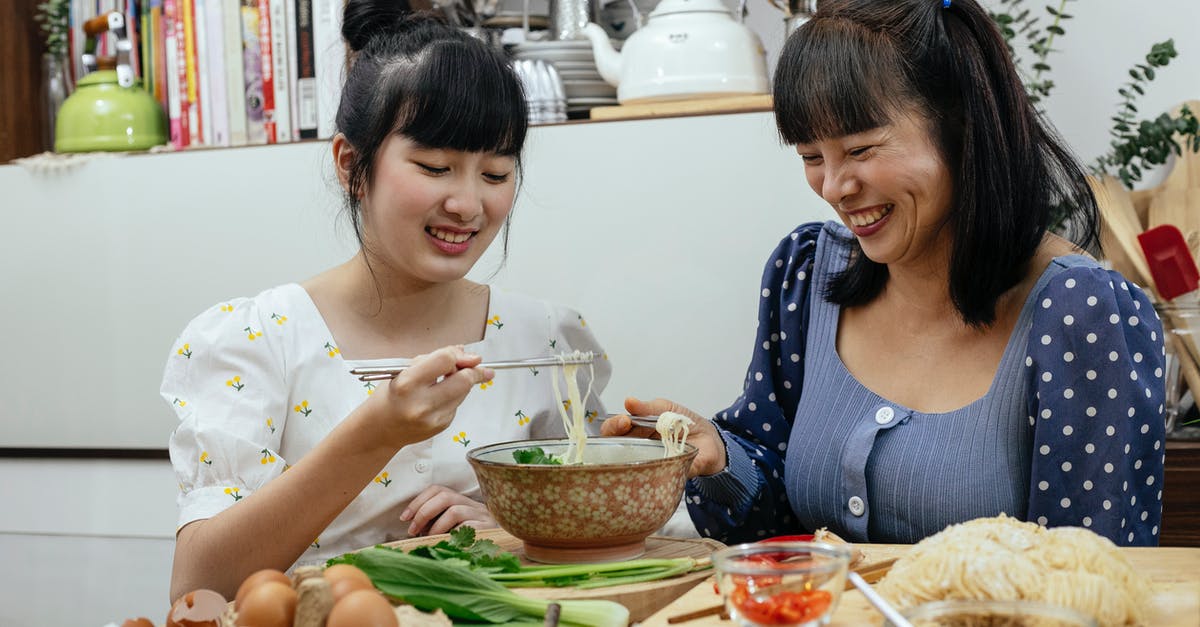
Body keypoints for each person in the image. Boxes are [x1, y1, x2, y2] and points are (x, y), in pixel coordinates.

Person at [603, 0, 1165, 548]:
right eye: (811, 156)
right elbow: (776, 522)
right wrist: (721, 457)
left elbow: (1092, 577)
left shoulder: (1079, 310)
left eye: (861, 148)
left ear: (962, 124)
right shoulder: (806, 275)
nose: (834, 187)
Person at [160, 6, 610, 601]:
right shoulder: (258, 341)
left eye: (496, 174)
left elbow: (597, 534)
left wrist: (511, 529)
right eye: (435, 167)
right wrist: (377, 431)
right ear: (352, 165)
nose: (468, 204)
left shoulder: (547, 341)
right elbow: (198, 586)